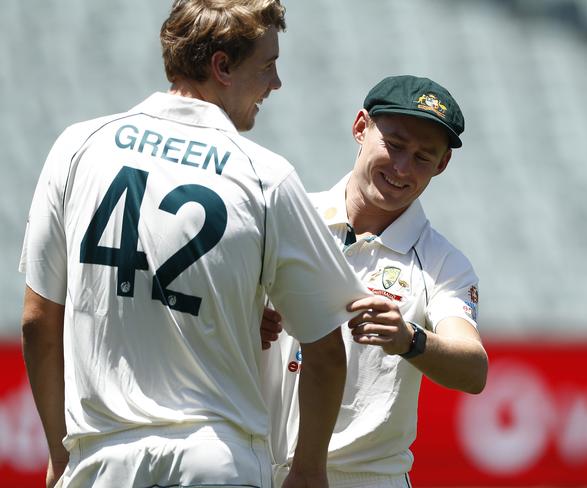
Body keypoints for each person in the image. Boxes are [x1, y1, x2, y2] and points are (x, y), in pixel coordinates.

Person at [19, 1, 371, 487]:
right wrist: (309, 468)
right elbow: (327, 349)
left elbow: (38, 320)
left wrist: (62, 452)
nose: (276, 83)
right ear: (222, 66)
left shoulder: (78, 146)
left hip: (102, 463)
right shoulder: (265, 176)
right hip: (217, 463)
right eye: (267, 65)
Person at [261, 75, 489, 488]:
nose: (402, 169)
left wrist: (409, 339)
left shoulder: (444, 263)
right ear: (361, 127)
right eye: (395, 145)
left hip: (365, 479)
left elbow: (473, 370)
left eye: (423, 157)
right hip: (252, 467)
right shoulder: (285, 215)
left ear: (442, 164)